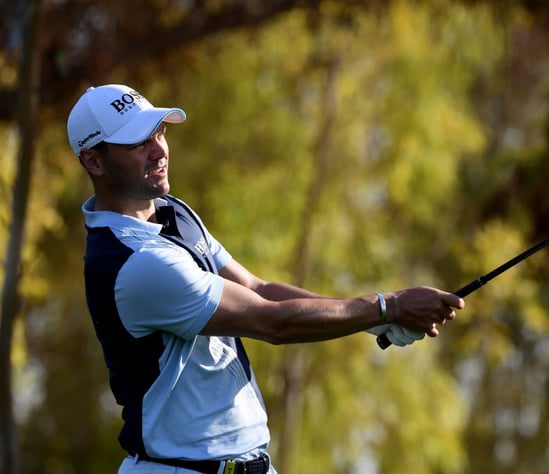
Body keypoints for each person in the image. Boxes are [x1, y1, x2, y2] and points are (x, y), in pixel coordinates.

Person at [66, 84, 464, 474]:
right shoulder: (134, 263)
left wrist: (378, 320)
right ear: (94, 162)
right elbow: (273, 321)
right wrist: (387, 306)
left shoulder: (171, 212)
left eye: (160, 132)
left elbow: (259, 289)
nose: (160, 150)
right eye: (138, 143)